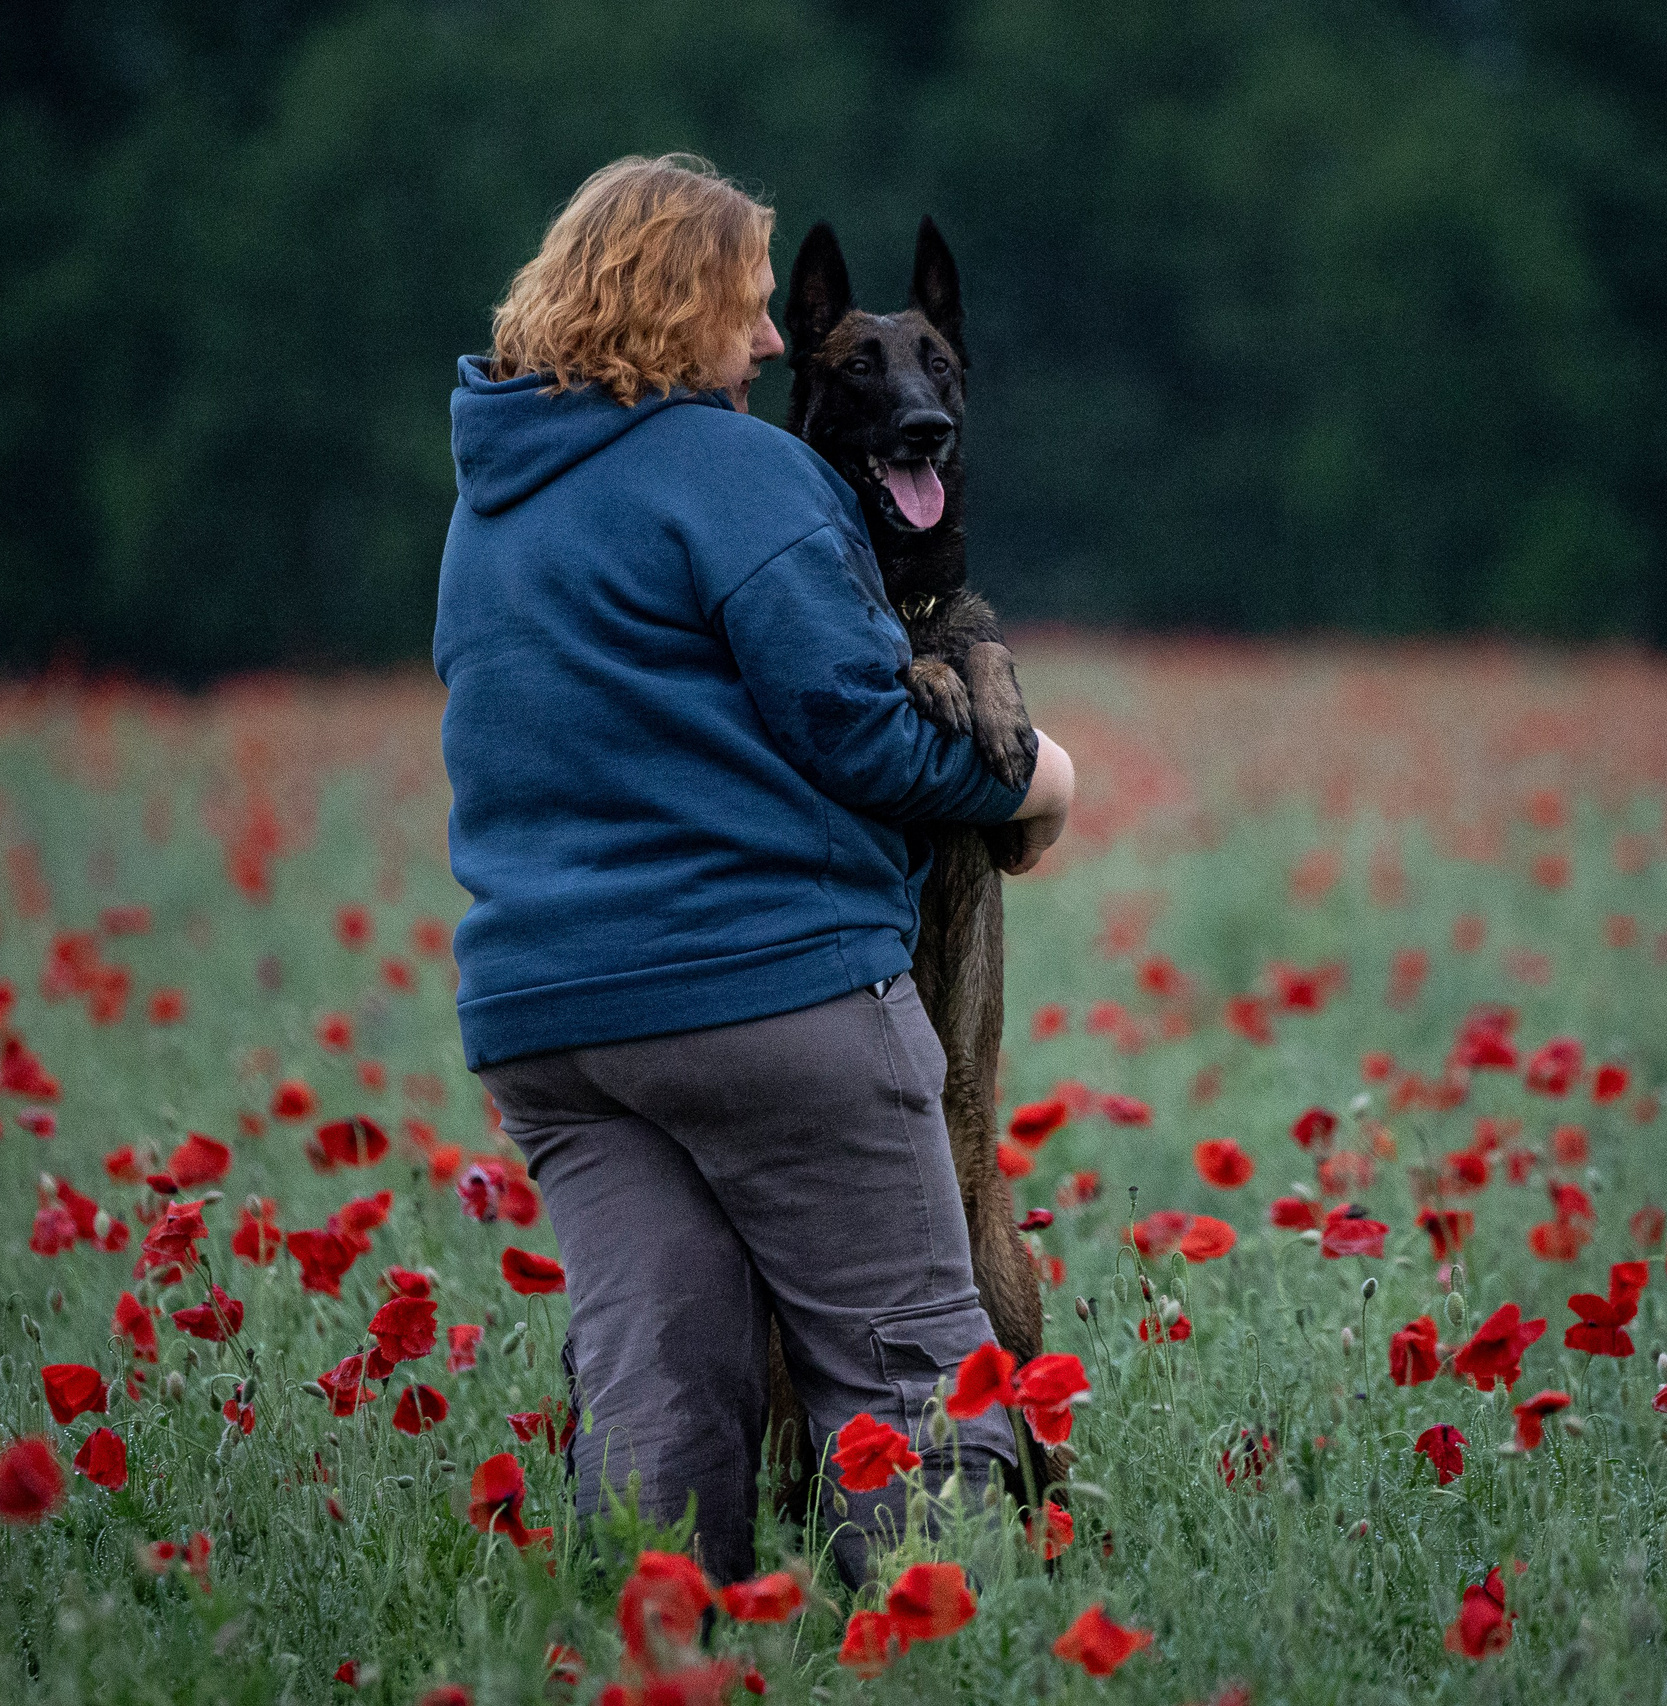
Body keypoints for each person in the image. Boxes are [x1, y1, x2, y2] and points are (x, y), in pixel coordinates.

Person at [432, 154, 1075, 1586]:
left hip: (552, 1027)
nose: (777, 339)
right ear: (677, 303)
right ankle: (932, 1665)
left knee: (657, 1392)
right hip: (767, 997)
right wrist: (1036, 777)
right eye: (752, 303)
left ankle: (660, 1658)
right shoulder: (737, 470)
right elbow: (861, 729)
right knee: (914, 1377)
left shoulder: (490, 510)